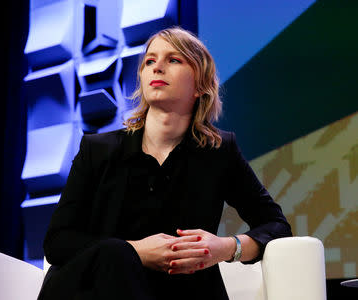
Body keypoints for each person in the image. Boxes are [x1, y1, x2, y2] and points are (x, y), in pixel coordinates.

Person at [38, 26, 292, 300]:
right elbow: (58, 241)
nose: (157, 67)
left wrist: (226, 247)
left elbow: (276, 225)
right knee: (116, 254)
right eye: (150, 61)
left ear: (199, 85)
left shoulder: (219, 151)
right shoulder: (97, 149)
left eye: (173, 59)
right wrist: (134, 250)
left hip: (182, 291)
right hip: (96, 289)